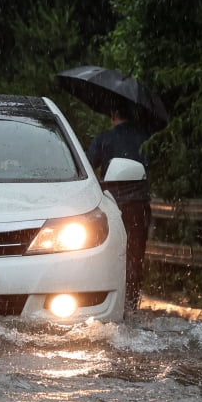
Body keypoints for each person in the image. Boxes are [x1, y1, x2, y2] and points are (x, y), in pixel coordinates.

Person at [87, 105, 152, 310]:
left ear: (114, 114)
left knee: (104, 254)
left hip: (112, 205)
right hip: (138, 207)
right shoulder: (145, 139)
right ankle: (131, 305)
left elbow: (87, 169)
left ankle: (103, 303)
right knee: (134, 257)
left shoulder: (104, 139)